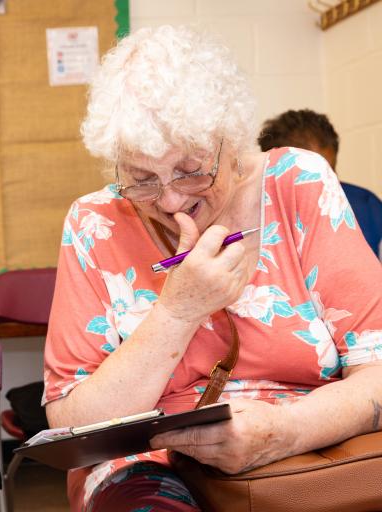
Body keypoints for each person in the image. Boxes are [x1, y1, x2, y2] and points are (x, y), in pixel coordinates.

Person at [43, 25, 382, 512]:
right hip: (150, 466)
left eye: (190, 171)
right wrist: (178, 311)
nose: (170, 200)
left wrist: (284, 431)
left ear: (232, 141)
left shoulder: (298, 183)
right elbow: (72, 428)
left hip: (309, 452)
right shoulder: (95, 222)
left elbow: (377, 372)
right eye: (142, 179)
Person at [259, 108, 382, 257]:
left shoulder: (366, 206)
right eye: (311, 179)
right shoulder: (260, 222)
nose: (326, 188)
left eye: (330, 173)